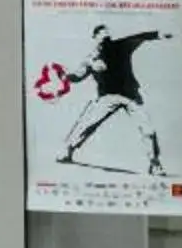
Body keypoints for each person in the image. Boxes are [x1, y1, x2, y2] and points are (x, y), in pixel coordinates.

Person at [56, 23, 170, 176]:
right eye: (101, 33)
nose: (105, 35)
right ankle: (67, 150)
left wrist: (157, 34)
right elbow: (78, 76)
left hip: (131, 96)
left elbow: (139, 37)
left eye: (107, 33)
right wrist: (66, 77)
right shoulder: (91, 59)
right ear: (95, 37)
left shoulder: (121, 46)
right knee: (87, 124)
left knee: (148, 129)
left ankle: (155, 164)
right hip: (107, 97)